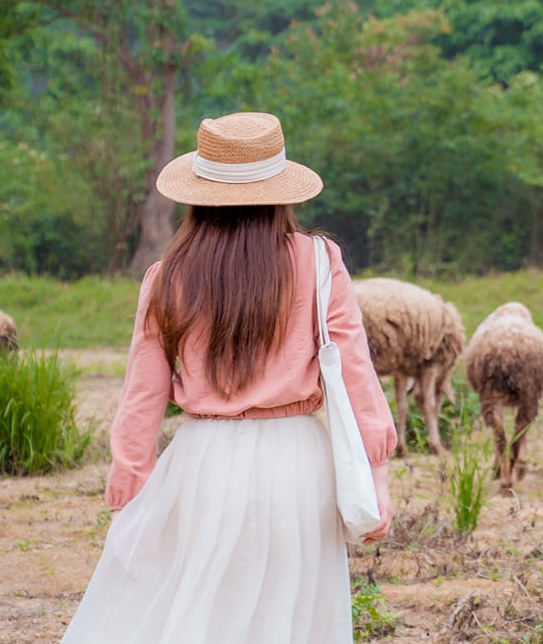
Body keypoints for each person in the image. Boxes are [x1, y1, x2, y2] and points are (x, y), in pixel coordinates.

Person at [63, 111, 395, 643]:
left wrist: (129, 485)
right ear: (281, 189)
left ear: (199, 193)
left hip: (203, 463)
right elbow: (355, 370)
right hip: (299, 464)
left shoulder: (167, 275)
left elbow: (142, 396)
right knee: (291, 613)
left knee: (206, 608)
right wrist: (376, 477)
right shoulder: (319, 260)